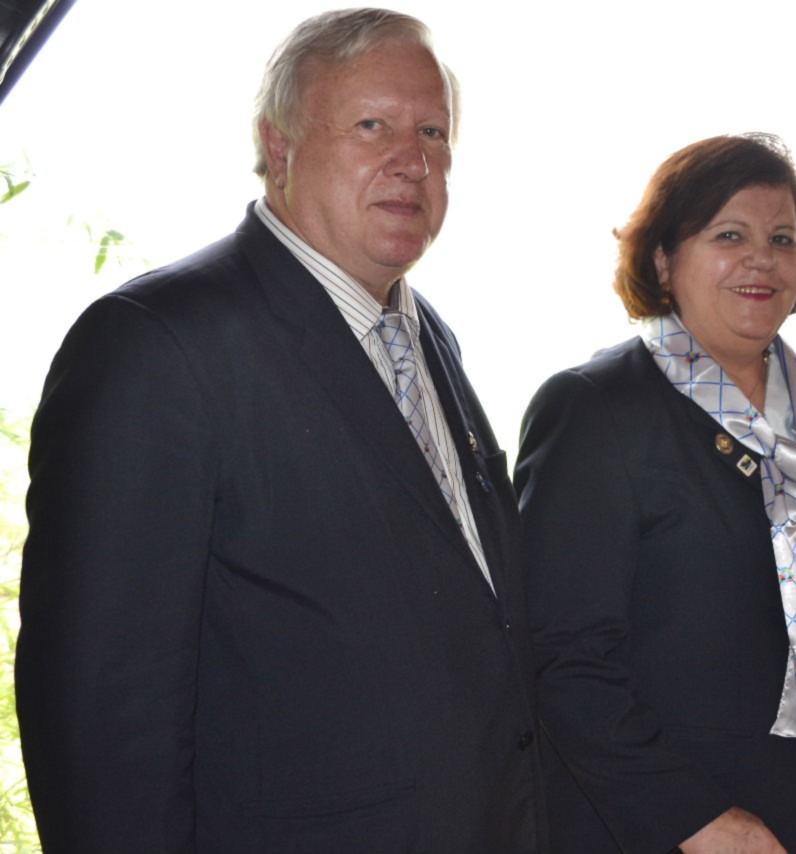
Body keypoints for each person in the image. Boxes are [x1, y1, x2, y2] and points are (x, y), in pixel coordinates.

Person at [16, 10, 544, 853]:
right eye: (372, 126)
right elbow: (101, 722)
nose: (412, 161)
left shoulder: (427, 336)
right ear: (281, 144)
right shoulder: (156, 345)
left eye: (433, 133)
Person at [515, 133, 796, 854]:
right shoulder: (596, 407)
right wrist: (694, 818)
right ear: (663, 259)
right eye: (728, 235)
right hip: (670, 824)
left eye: (782, 238)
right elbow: (564, 659)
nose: (761, 259)